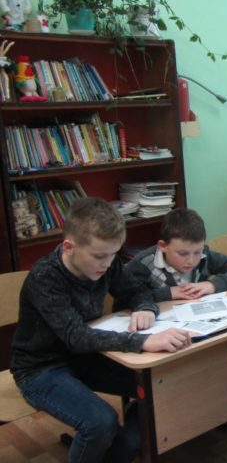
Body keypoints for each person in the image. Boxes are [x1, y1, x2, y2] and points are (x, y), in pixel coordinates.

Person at [10, 197, 191, 463]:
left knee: (159, 386)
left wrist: (145, 308)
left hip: (87, 357)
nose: (107, 264)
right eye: (99, 256)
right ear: (69, 247)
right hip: (40, 369)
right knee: (100, 422)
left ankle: (118, 452)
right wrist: (141, 341)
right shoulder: (45, 278)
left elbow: (136, 290)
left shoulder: (107, 262)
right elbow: (76, 336)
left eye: (113, 255)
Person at [121, 208, 227, 310]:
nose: (191, 261)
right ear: (163, 246)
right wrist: (168, 293)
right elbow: (124, 301)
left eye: (197, 252)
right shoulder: (142, 264)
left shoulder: (205, 255)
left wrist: (213, 284)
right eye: (182, 253)